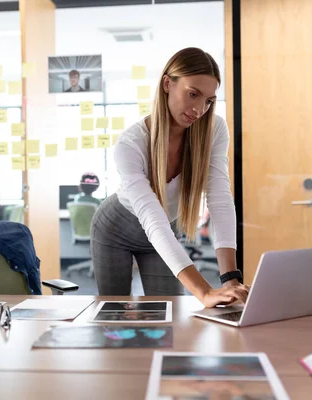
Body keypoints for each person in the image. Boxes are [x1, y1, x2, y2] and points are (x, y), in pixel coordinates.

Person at [90, 47, 249, 308]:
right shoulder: (130, 144)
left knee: (172, 315)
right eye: (193, 94)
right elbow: (152, 219)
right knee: (114, 314)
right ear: (167, 83)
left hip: (164, 231)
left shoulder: (214, 129)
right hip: (115, 230)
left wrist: (231, 279)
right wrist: (205, 292)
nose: (199, 109)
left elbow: (219, 200)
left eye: (208, 100)